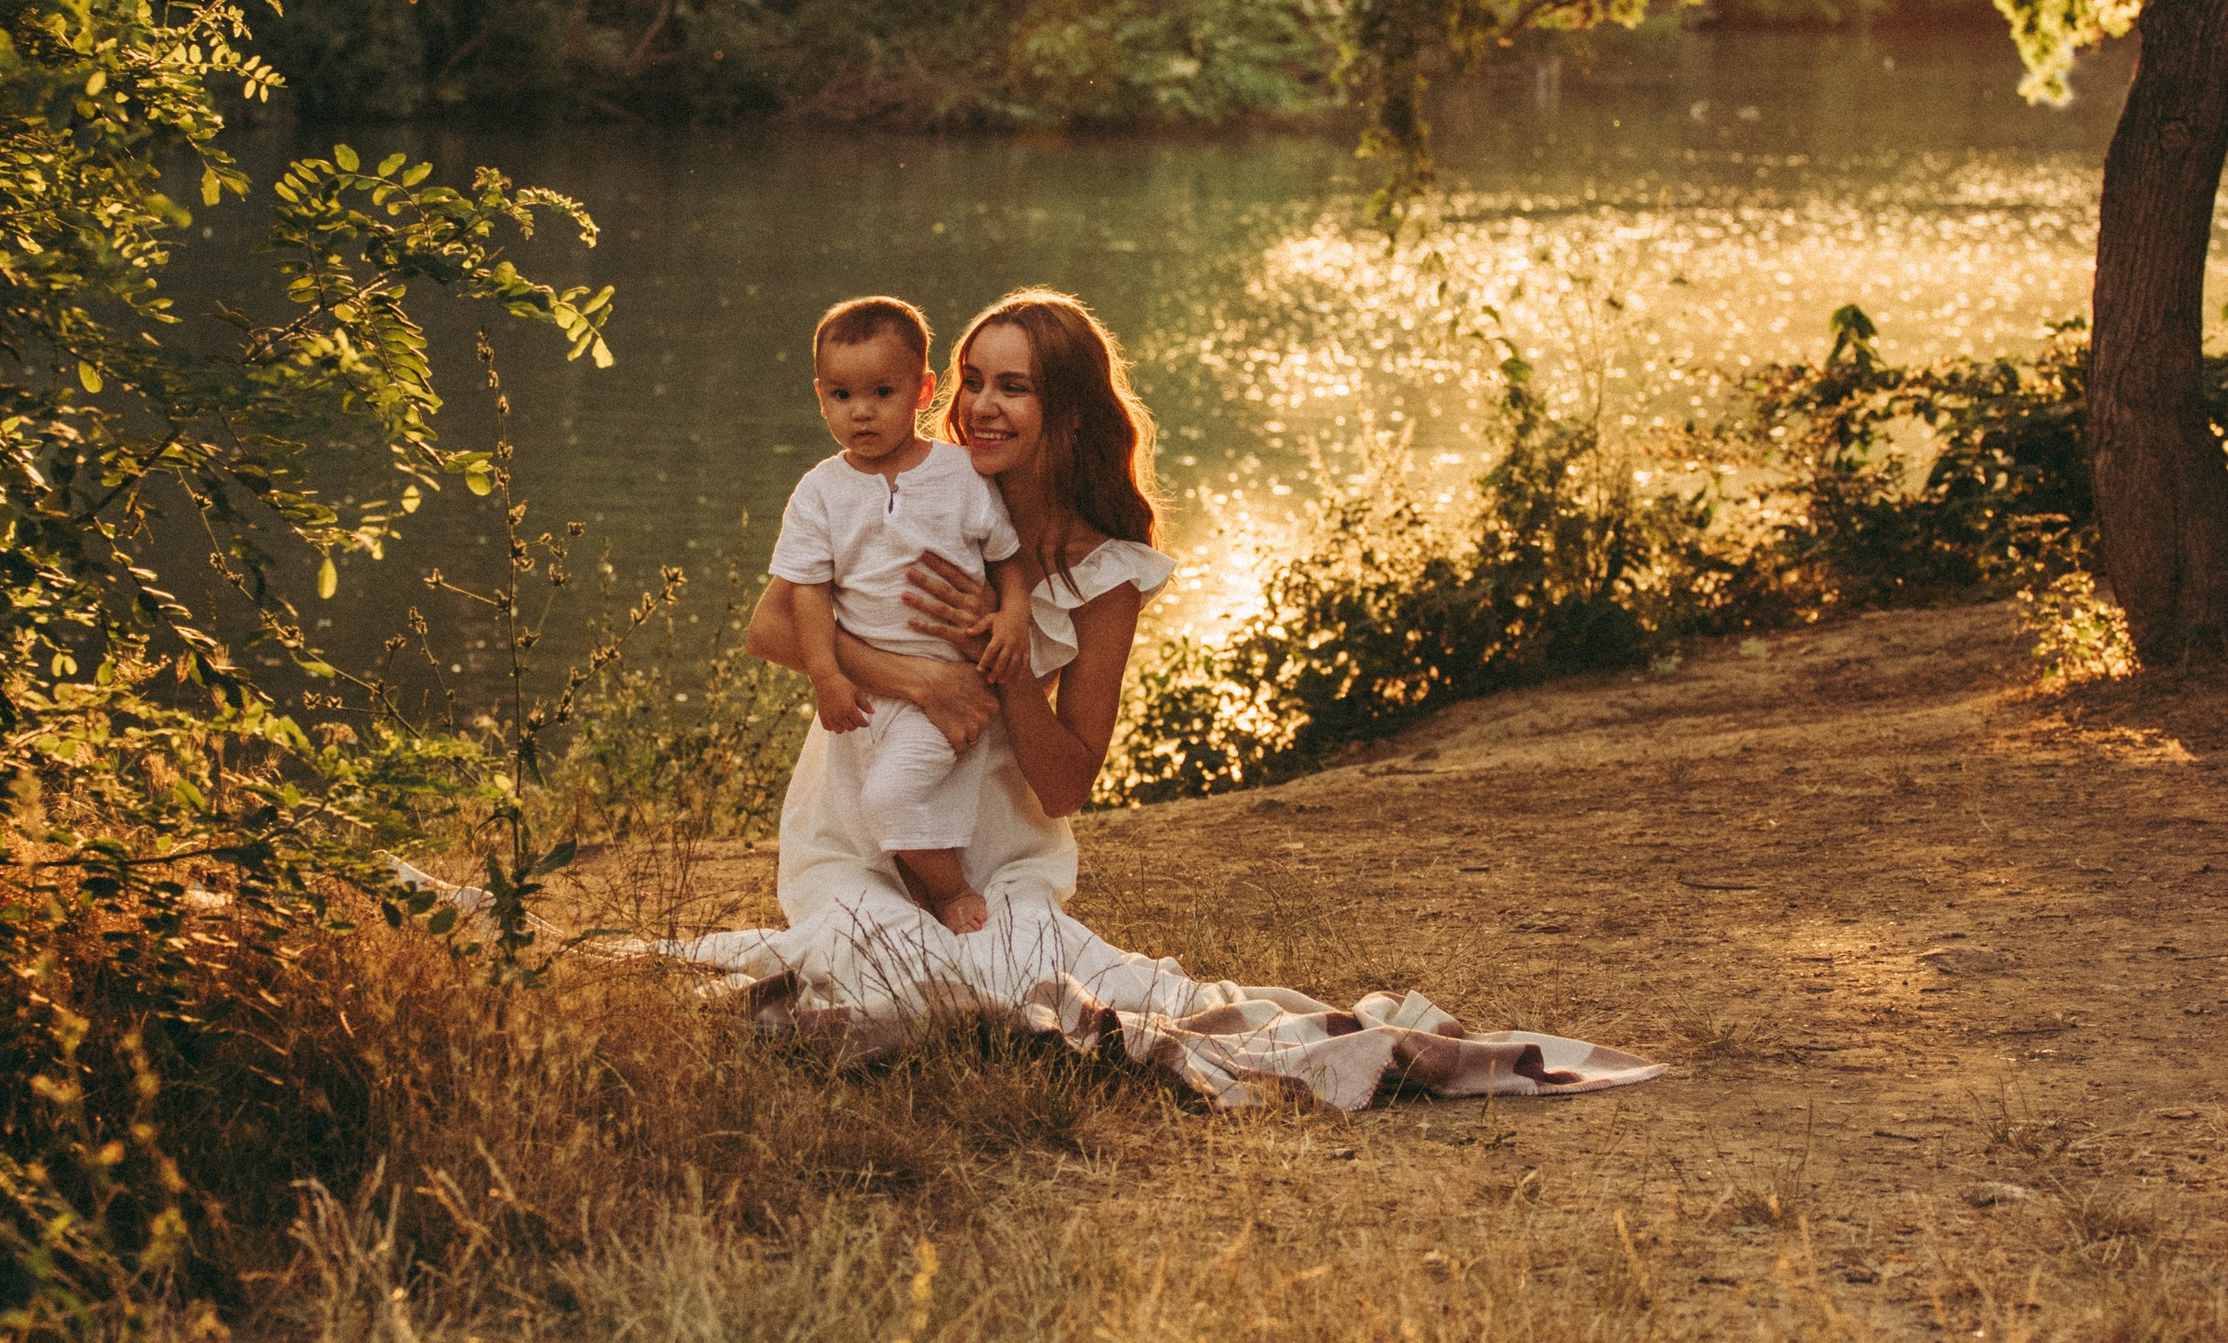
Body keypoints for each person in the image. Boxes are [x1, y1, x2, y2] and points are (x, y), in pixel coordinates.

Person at [676, 287, 1660, 1114]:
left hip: (993, 856)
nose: (978, 406)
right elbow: (771, 629)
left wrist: (1004, 661)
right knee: (879, 974)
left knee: (1010, 983)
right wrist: (916, 676)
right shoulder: (892, 493)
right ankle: (850, 933)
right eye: (971, 380)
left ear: (1066, 413)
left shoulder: (1103, 574)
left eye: (1011, 387)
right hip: (854, 838)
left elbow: (1063, 782)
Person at [768, 295, 1035, 938]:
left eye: (882, 392)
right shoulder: (820, 491)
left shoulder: (961, 474)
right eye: (840, 395)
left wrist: (1014, 615)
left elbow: (1006, 559)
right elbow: (806, 591)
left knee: (891, 797)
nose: (860, 411)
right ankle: (912, 891)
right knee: (873, 812)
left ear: (922, 391)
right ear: (820, 396)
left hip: (950, 688)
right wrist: (827, 677)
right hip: (866, 695)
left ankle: (949, 892)